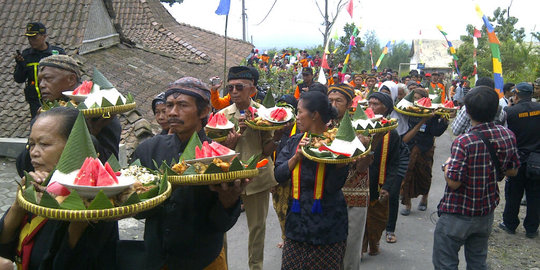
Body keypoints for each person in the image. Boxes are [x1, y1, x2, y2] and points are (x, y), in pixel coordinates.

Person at [132, 77, 248, 269]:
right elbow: (137, 211)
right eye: (169, 105)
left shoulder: (220, 157)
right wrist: (166, 190)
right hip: (157, 258)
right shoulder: (148, 150)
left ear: (204, 111)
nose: (172, 112)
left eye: (182, 105)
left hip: (204, 259)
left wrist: (228, 200)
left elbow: (220, 225)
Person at [0, 107, 118, 269]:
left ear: (75, 149)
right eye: (31, 144)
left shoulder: (96, 204)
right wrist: (18, 205)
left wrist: (79, 223)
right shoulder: (37, 188)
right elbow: (4, 249)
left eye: (44, 144)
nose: (34, 152)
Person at [434, 86, 520, 269]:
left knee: (445, 263)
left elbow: (454, 182)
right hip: (485, 211)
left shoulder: (464, 142)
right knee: (477, 262)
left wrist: (446, 165)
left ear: (468, 111)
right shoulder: (508, 135)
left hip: (458, 212)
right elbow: (513, 171)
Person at [275, 91, 349, 269]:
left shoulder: (336, 144)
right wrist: (296, 158)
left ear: (314, 115)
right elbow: (278, 174)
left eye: (300, 112)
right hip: (297, 224)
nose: (297, 117)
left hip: (329, 226)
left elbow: (333, 186)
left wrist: (341, 163)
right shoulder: (294, 142)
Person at [16, 55, 121, 177]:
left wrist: (89, 136)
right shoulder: (44, 115)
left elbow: (110, 169)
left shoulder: (99, 114)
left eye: (48, 79)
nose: (41, 85)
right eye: (40, 81)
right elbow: (23, 167)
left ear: (71, 79)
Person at [219, 66, 278, 270]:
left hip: (257, 177)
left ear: (252, 90)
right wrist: (236, 135)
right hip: (227, 178)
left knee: (257, 228)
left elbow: (267, 150)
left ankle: (256, 267)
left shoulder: (264, 114)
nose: (233, 92)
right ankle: (222, 266)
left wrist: (278, 136)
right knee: (221, 226)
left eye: (239, 87)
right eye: (230, 87)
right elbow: (216, 151)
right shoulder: (222, 115)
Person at [362, 92, 404, 256]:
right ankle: (361, 246)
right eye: (369, 103)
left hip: (379, 183)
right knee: (360, 218)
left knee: (377, 219)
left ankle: (374, 243)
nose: (371, 107)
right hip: (360, 181)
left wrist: (388, 186)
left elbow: (394, 162)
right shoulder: (360, 127)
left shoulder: (392, 133)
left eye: (376, 104)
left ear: (385, 108)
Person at [500, 82, 540, 238]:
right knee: (535, 195)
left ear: (516, 95)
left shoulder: (509, 111)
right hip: (537, 159)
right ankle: (531, 228)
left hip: (517, 158)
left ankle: (510, 224)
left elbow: (504, 132)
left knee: (513, 193)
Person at [400, 88, 448, 215]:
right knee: (407, 174)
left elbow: (436, 132)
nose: (416, 101)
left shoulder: (432, 113)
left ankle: (424, 198)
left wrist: (444, 121)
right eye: (414, 98)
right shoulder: (407, 111)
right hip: (409, 147)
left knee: (425, 174)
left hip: (426, 148)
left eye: (419, 98)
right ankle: (407, 203)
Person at [13, 22, 65, 118]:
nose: (31, 41)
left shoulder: (57, 53)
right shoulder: (26, 55)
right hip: (35, 103)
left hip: (57, 100)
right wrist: (20, 65)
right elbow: (18, 79)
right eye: (29, 38)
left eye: (34, 38)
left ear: (44, 36)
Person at [270, 95, 298, 249]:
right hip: (276, 176)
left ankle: (291, 238)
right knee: (279, 210)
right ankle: (285, 236)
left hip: (293, 178)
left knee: (290, 209)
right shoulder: (271, 128)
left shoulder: (299, 130)